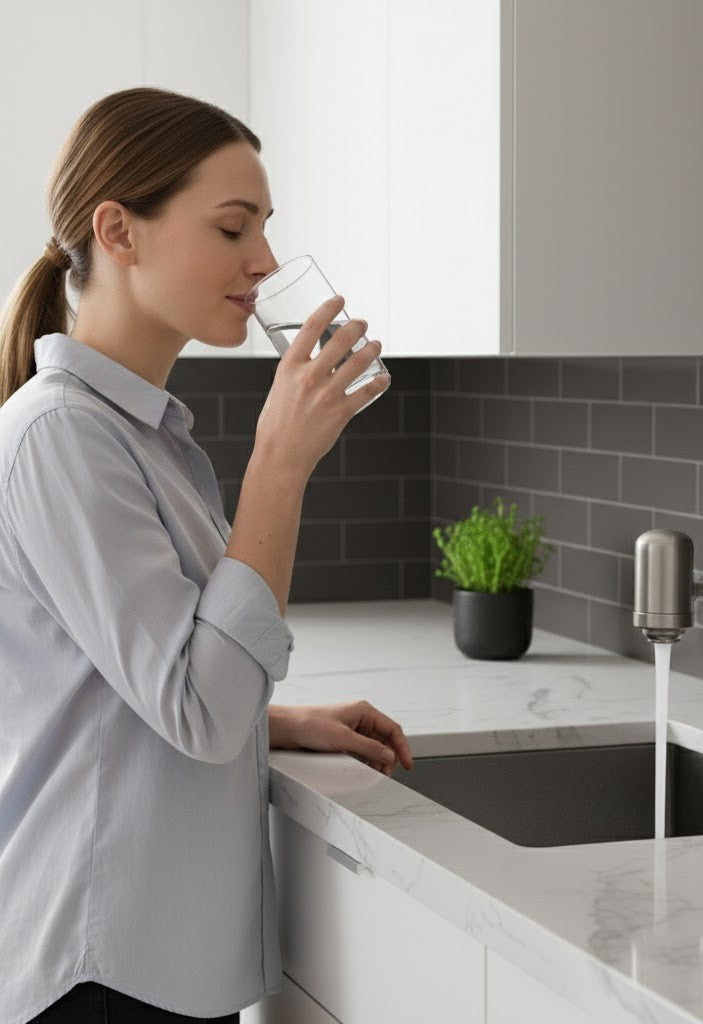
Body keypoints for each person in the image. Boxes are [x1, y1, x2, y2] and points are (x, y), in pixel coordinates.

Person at [0, 86, 414, 1024]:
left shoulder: (139, 434)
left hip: (148, 958)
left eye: (265, 227)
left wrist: (276, 719)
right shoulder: (60, 438)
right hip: (102, 969)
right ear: (119, 231)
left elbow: (123, 688)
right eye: (233, 228)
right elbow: (194, 708)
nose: (264, 261)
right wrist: (280, 459)